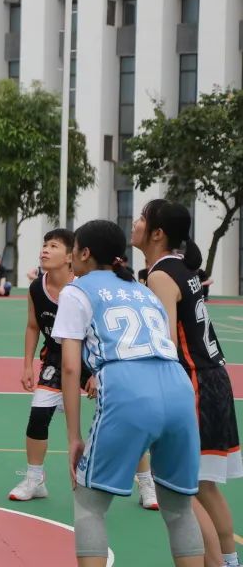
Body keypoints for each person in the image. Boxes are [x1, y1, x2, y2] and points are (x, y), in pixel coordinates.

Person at [53, 220, 203, 567]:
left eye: (73, 249)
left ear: (84, 253)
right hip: (178, 387)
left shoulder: (76, 290)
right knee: (179, 510)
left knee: (89, 505)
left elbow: (71, 368)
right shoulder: (142, 290)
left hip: (128, 388)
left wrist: (74, 436)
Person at [134, 200, 241, 567]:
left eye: (141, 218)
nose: (134, 223)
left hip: (193, 382)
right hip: (213, 379)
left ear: (157, 233)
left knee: (183, 488)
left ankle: (216, 563)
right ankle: (229, 561)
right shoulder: (181, 267)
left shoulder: (161, 276)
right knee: (204, 487)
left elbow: (164, 342)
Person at [8, 228, 96, 502]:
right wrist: (27, 365)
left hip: (91, 357)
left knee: (121, 414)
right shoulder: (37, 288)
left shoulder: (85, 287)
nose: (45, 249)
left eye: (54, 246)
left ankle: (145, 481)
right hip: (56, 359)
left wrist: (98, 371)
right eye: (45, 244)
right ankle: (35, 480)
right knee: (37, 417)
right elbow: (33, 326)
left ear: (70, 256)